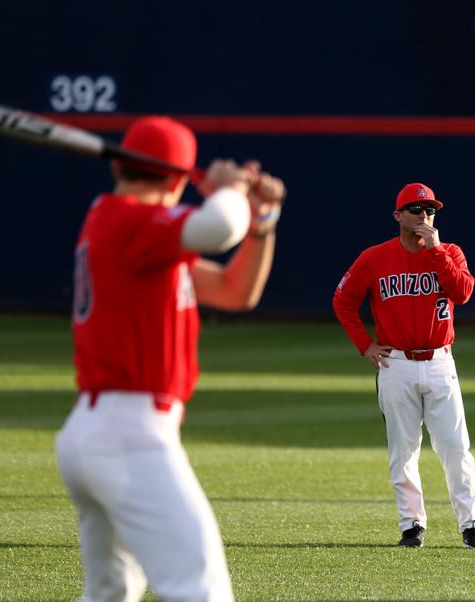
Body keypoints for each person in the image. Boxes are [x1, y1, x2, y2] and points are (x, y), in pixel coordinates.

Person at [55, 115, 286, 601]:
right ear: (179, 180)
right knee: (201, 589)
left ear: (118, 166)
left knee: (111, 593)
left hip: (100, 432)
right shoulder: (126, 220)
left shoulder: (135, 234)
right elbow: (218, 226)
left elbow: (235, 291)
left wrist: (261, 222)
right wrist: (227, 188)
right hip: (129, 435)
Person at [332, 182, 475, 550]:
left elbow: (463, 292)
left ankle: (471, 525)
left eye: (431, 210)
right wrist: (364, 344)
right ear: (398, 215)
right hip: (397, 364)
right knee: (403, 451)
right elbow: (343, 299)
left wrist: (437, 251)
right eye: (416, 210)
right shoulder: (375, 258)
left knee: (456, 448)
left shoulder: (450, 252)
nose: (424, 216)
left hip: (440, 362)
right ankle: (411, 525)